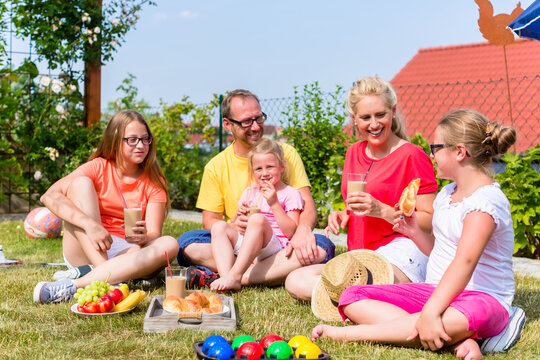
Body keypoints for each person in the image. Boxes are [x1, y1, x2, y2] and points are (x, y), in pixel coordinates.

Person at [312, 110, 520, 360]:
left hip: (481, 298)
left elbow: (465, 262)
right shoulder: (447, 194)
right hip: (434, 292)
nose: (431, 154)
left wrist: (432, 311)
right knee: (352, 296)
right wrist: (414, 233)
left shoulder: (486, 202)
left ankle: (351, 334)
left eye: (436, 147)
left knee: (462, 316)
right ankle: (456, 342)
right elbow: (440, 250)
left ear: (459, 152)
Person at [285, 76, 438, 300]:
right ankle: (362, 299)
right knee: (295, 281)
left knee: (358, 284)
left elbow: (430, 219)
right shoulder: (354, 152)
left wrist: (383, 211)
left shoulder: (412, 156)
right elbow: (354, 205)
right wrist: (343, 215)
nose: (374, 124)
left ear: (393, 111)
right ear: (354, 119)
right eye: (366, 117)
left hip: (402, 253)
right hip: (362, 255)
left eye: (380, 115)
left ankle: (360, 298)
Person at [177, 89, 335, 289]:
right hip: (238, 242)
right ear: (227, 124)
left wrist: (302, 231)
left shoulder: (285, 154)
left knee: (321, 246)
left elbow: (308, 207)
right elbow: (210, 221)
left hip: (278, 245)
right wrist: (234, 224)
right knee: (186, 243)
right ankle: (256, 272)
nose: (255, 126)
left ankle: (237, 275)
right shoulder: (216, 166)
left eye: (259, 118)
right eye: (246, 122)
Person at [34, 110, 179, 303]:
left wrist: (146, 236)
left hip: (127, 252)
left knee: (170, 243)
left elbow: (154, 234)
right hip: (87, 246)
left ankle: (79, 283)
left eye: (145, 139)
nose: (141, 146)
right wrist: (90, 225)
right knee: (80, 184)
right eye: (132, 140)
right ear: (115, 141)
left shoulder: (153, 180)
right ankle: (109, 277)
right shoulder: (98, 167)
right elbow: (49, 196)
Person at [210, 138, 304, 291]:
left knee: (258, 219)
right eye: (258, 169)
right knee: (219, 226)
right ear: (252, 171)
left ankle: (235, 275)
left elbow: (292, 231)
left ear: (282, 166)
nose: (264, 173)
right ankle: (227, 277)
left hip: (274, 247)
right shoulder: (250, 192)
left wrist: (274, 203)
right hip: (249, 244)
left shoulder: (290, 193)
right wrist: (237, 217)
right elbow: (235, 225)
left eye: (270, 167)